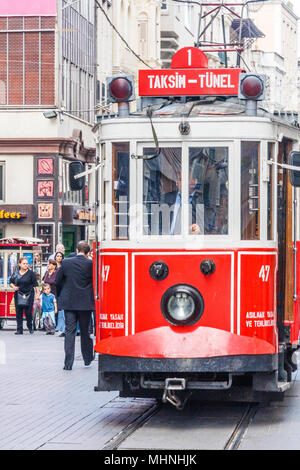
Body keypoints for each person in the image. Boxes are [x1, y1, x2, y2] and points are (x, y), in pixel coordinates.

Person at [55, 240, 95, 370]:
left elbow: (57, 281)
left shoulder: (66, 263)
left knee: (69, 332)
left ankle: (68, 363)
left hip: (70, 303)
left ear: (77, 250)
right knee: (85, 332)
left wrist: (62, 295)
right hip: (85, 304)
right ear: (88, 253)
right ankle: (87, 358)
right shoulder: (91, 264)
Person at [9, 257, 40, 335]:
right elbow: (10, 282)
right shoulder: (16, 272)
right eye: (24, 263)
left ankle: (29, 325)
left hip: (29, 294)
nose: (26, 265)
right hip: (18, 294)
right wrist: (14, 287)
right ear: (19, 264)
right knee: (18, 311)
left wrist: (37, 294)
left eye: (27, 263)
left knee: (28, 312)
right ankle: (19, 329)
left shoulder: (31, 273)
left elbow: (36, 285)